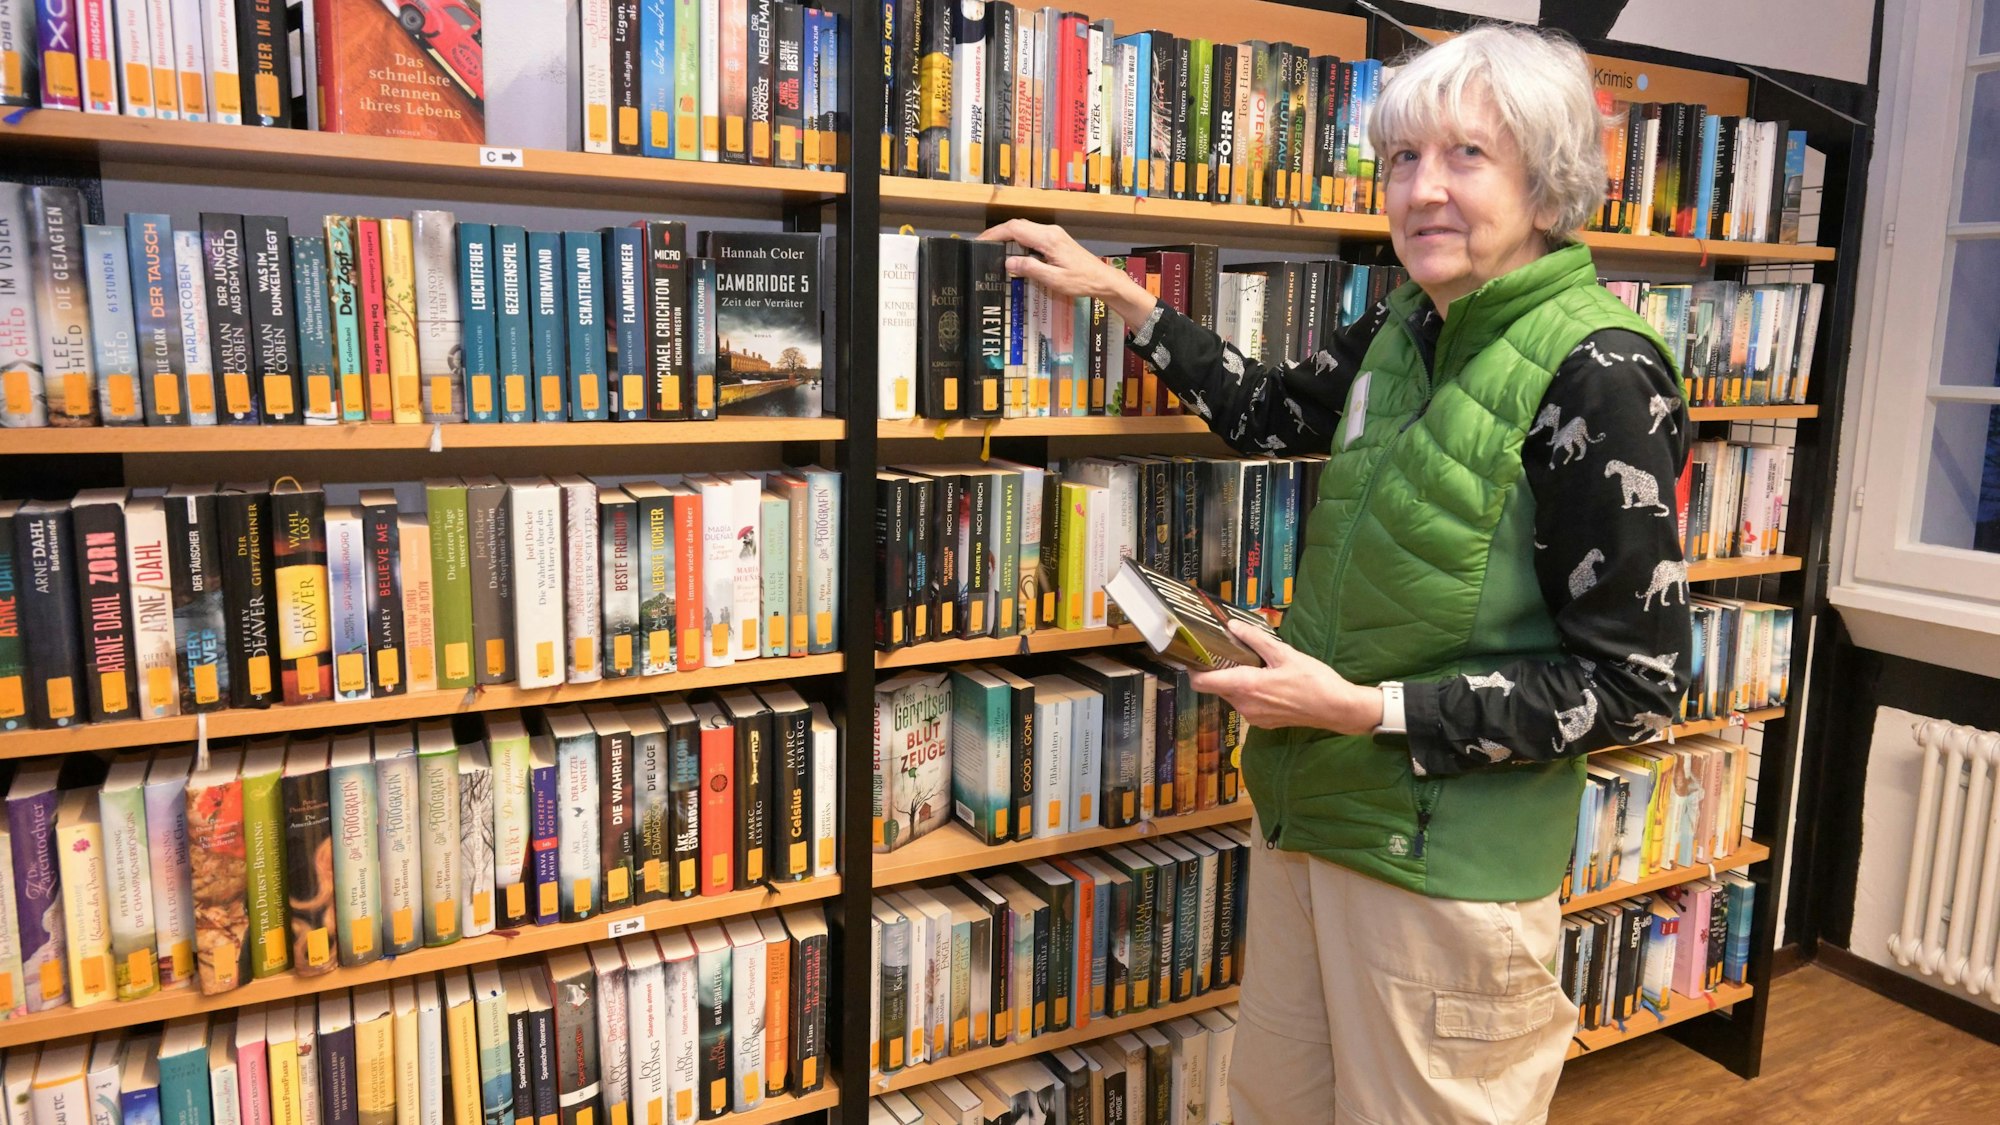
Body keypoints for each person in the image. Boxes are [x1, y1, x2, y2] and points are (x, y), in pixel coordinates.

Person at [981, 24, 1693, 1125]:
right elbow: (1271, 413)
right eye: (1403, 159)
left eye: (1465, 157)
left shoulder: (1598, 372)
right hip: (1311, 812)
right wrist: (1120, 297)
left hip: (1441, 870)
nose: (1422, 191)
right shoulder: (1409, 321)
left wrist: (1364, 709)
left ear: (1545, 182)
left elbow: (1636, 689)